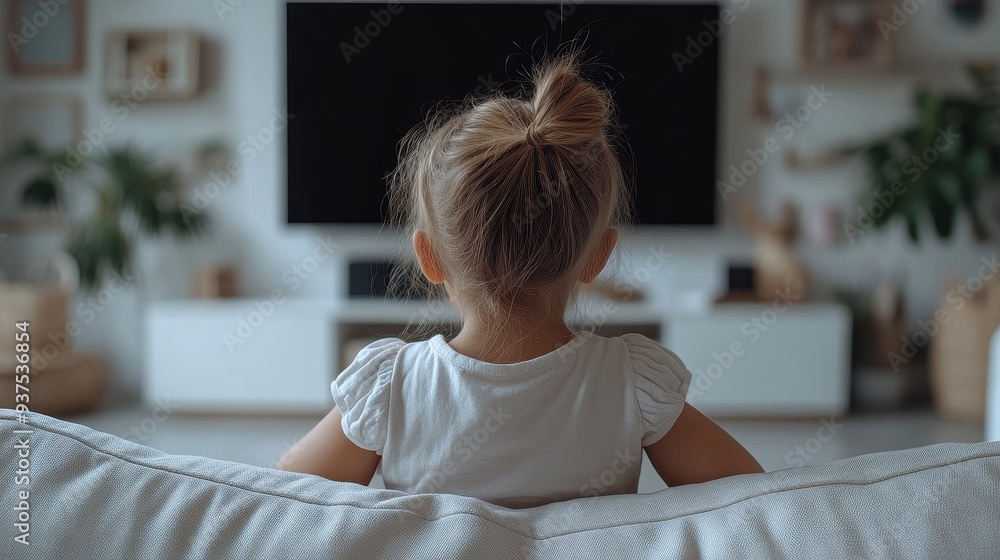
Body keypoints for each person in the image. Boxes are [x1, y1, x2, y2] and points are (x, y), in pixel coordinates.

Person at [278, 54, 764, 508]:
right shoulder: (634, 382)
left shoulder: (391, 388)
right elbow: (754, 502)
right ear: (597, 258)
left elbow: (280, 505)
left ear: (429, 256)